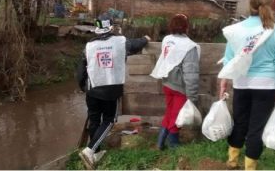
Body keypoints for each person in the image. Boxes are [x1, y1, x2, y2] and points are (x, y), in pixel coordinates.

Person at [218, 0, 275, 170]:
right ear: (270, 4)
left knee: (240, 123)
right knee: (256, 128)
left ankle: (232, 161)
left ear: (250, 4)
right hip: (267, 85)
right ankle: (250, 167)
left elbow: (229, 59)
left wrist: (224, 82)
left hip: (241, 83)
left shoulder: (235, 29)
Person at [76, 17, 150, 169]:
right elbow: (136, 45)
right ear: (111, 28)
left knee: (95, 120)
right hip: (110, 89)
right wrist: (145, 38)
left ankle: (96, 151)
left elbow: (81, 69)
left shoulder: (89, 46)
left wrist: (83, 86)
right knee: (109, 120)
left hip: (92, 89)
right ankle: (90, 150)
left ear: (97, 30)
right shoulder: (120, 42)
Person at [150, 14, 200, 150]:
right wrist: (193, 98)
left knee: (170, 113)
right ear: (186, 27)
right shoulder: (190, 46)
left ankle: (160, 143)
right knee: (176, 117)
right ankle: (174, 146)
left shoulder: (167, 40)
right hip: (180, 87)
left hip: (167, 83)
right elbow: (191, 75)